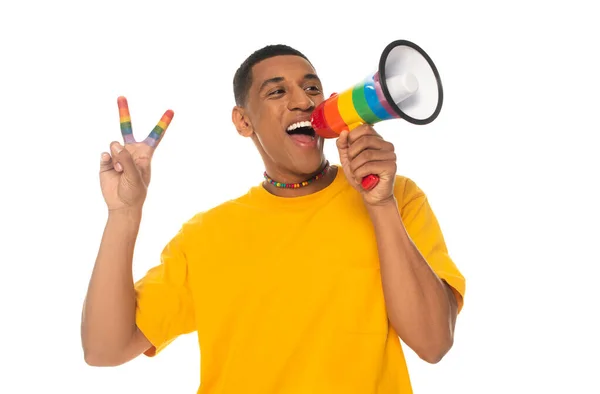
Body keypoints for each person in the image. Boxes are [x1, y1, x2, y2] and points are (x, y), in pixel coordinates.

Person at [81, 44, 466, 393]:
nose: (303, 101)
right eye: (278, 91)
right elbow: (104, 349)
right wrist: (123, 213)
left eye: (312, 88)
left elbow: (434, 343)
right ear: (243, 122)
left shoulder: (398, 198)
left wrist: (380, 206)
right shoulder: (206, 235)